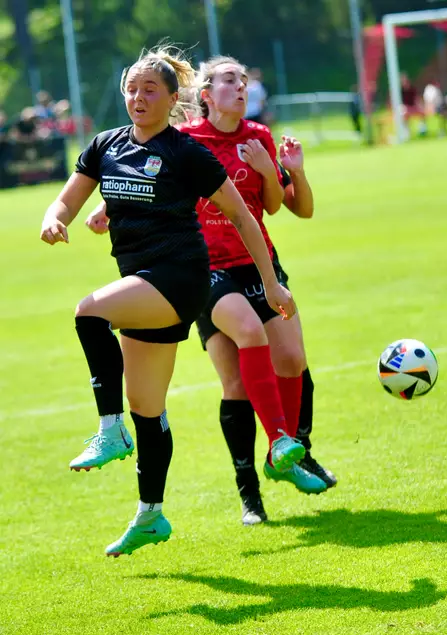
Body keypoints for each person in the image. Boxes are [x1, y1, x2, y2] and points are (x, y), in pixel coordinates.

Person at [40, 46, 297, 557]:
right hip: (141, 283)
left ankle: (108, 429)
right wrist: (55, 218)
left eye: (150, 89)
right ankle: (150, 515)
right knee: (147, 407)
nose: (138, 97)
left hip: (181, 280)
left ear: (172, 97)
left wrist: (271, 284)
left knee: (89, 312)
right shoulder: (105, 145)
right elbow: (68, 198)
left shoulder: (186, 153)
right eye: (131, 89)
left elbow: (244, 217)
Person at [86, 56, 333, 526]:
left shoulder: (258, 136)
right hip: (205, 269)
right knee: (241, 356)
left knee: (291, 360)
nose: (241, 87)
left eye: (244, 80)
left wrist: (278, 171)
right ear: (205, 93)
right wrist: (105, 207)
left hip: (257, 262)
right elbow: (140, 176)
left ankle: (293, 453)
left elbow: (279, 207)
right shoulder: (186, 140)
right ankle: (254, 487)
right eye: (229, 80)